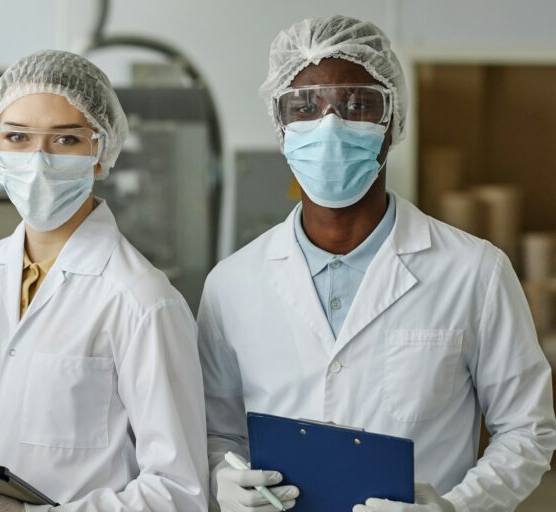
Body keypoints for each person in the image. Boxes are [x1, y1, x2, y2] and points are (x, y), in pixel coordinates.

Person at [200, 15, 556, 512]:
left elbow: (527, 430)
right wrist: (222, 474)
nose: (329, 125)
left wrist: (457, 507)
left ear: (393, 122)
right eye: (304, 107)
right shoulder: (231, 284)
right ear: (281, 127)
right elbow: (218, 430)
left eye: (358, 104)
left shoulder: (475, 272)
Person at [0, 50, 208, 512]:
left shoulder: (143, 301)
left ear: (100, 153)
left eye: (65, 140)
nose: (37, 161)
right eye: (16, 137)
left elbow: (179, 491)